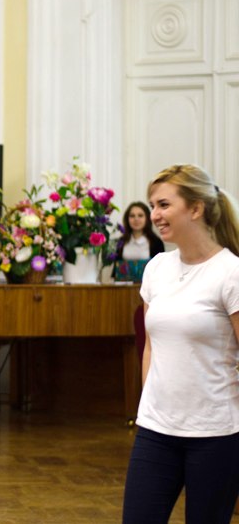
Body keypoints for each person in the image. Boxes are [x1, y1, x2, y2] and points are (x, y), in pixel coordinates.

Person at [122, 164, 239, 523]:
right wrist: (150, 403)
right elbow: (151, 346)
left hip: (216, 433)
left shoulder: (230, 273)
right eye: (152, 206)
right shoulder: (157, 268)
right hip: (156, 429)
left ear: (196, 208)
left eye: (163, 205)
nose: (154, 215)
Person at [113, 201, 165, 282]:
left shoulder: (156, 242)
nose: (136, 219)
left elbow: (161, 271)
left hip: (149, 286)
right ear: (127, 219)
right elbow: (115, 270)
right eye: (132, 216)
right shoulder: (121, 242)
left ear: (147, 218)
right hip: (124, 287)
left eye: (140, 215)